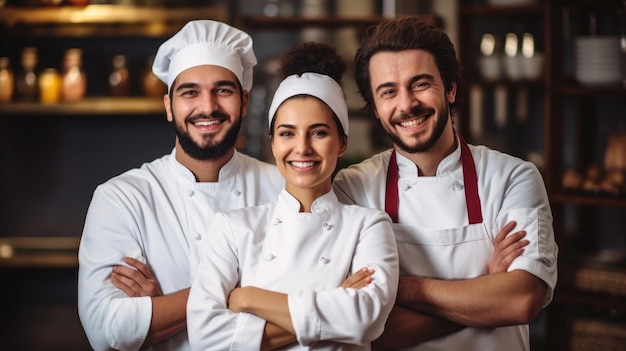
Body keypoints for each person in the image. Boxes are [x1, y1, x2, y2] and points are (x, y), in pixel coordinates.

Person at [332, 17, 558, 350]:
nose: (406, 104)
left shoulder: (514, 177)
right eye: (388, 92)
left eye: (420, 84)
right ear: (376, 109)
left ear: (450, 88)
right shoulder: (352, 188)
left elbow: (521, 301)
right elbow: (363, 332)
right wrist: (485, 289)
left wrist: (396, 287)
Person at [77, 20, 284, 351]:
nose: (207, 106)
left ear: (244, 102)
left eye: (223, 90)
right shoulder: (122, 198)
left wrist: (163, 310)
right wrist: (245, 295)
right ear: (169, 106)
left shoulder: (284, 188)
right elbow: (107, 329)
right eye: (190, 92)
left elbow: (314, 296)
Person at [187, 42, 399, 350]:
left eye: (318, 132)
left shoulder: (369, 226)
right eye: (287, 133)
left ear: (341, 143)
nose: (302, 148)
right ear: (273, 144)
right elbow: (206, 338)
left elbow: (366, 319)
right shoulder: (233, 228)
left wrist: (249, 298)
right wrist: (334, 301)